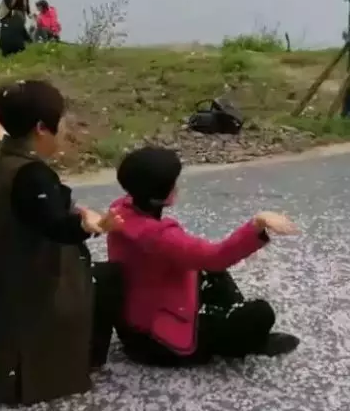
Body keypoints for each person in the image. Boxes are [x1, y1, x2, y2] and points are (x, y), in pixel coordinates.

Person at [0, 80, 123, 406]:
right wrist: (90, 225)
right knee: (106, 280)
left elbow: (4, 147)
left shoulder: (2, 155)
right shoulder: (32, 175)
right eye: (61, 122)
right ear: (41, 129)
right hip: (27, 288)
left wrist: (0, 133)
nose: (65, 129)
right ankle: (78, 361)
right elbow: (55, 226)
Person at [107, 146, 300, 367]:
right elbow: (216, 257)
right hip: (159, 342)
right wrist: (258, 224)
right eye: (173, 182)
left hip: (134, 323)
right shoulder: (158, 237)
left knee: (212, 275)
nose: (177, 187)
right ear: (160, 196)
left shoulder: (119, 211)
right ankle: (243, 340)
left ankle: (232, 316)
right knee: (261, 313)